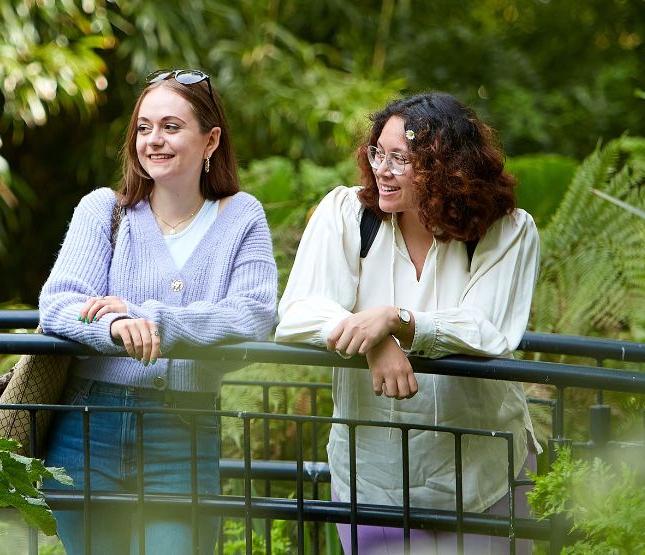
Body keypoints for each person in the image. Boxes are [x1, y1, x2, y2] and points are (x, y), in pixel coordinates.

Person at [275, 92, 540, 554]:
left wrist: (398, 320)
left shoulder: (506, 230)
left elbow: (487, 327)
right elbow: (299, 310)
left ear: (447, 168)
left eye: (402, 158)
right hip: (373, 480)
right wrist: (372, 337)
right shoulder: (347, 215)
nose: (383, 168)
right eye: (379, 152)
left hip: (482, 474)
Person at [35, 68, 279, 555]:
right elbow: (59, 303)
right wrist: (118, 325)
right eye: (144, 128)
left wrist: (156, 318)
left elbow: (254, 313)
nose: (154, 141)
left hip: (181, 431)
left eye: (171, 127)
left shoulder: (241, 216)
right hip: (89, 425)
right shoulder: (103, 210)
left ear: (210, 140)